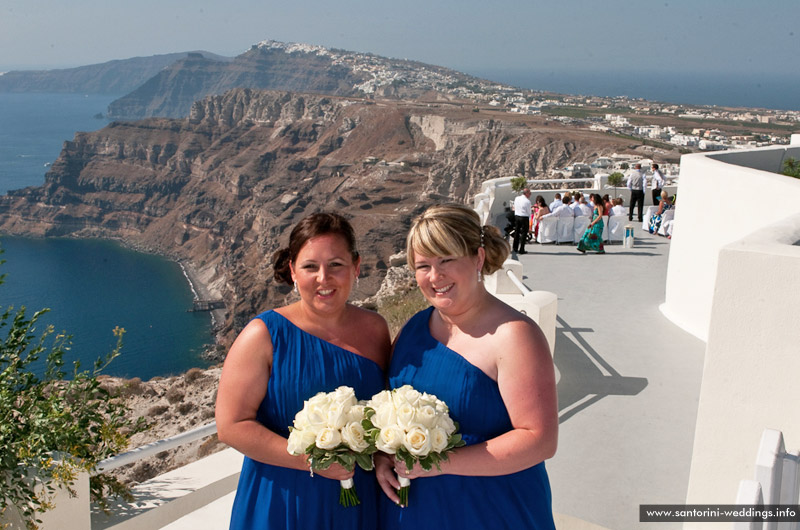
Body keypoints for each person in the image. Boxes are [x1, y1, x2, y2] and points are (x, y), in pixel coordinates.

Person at [376, 204, 558, 530]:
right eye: (423, 266)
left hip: (490, 509)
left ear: (478, 257)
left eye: (446, 260)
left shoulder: (514, 336)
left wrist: (438, 463)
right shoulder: (412, 329)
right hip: (415, 510)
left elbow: (539, 439)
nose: (435, 276)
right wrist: (382, 456)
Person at [216, 212, 391, 530]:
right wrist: (312, 462)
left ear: (356, 266)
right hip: (284, 501)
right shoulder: (263, 334)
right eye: (310, 266)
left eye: (336, 264)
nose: (324, 278)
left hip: (358, 499)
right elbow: (232, 425)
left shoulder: (376, 329)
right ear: (293, 271)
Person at [512, 188, 532, 254]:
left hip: (517, 216)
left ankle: (515, 248)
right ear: (526, 193)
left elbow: (514, 206)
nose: (530, 194)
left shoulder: (517, 198)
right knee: (524, 233)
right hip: (524, 217)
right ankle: (522, 249)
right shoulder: (527, 201)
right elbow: (529, 212)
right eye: (529, 193)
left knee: (517, 232)